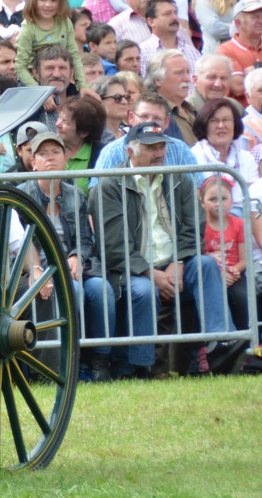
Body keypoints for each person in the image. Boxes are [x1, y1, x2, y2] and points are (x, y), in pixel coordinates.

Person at [92, 121, 230, 377]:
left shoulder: (179, 179)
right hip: (130, 270)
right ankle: (143, 367)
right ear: (130, 152)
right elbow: (113, 244)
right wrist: (149, 272)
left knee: (207, 265)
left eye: (162, 146)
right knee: (144, 290)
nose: (159, 153)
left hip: (175, 263)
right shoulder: (109, 185)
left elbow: (193, 228)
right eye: (151, 148)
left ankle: (222, 345)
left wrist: (177, 262)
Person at [18, 128, 114, 381]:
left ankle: (100, 363)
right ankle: (73, 359)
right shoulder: (22, 195)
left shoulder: (76, 195)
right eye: (43, 154)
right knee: (76, 291)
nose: (50, 158)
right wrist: (52, 268)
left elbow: (84, 239)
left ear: (65, 159)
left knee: (101, 289)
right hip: (43, 267)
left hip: (75, 265)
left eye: (55, 152)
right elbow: (25, 242)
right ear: (33, 163)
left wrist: (76, 257)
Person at [197, 176, 252, 344]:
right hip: (211, 277)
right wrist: (219, 274)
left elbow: (245, 259)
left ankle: (244, 341)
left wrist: (235, 270)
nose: (219, 203)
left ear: (232, 200)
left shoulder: (240, 224)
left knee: (242, 297)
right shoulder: (201, 225)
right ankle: (209, 345)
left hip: (233, 275)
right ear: (203, 202)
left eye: (223, 198)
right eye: (212, 199)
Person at [14, 0, 84, 89]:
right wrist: (39, 92)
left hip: (60, 76)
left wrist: (82, 84)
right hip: (33, 82)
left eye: (53, 0)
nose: (48, 5)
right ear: (34, 0)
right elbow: (20, 67)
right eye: (43, 0)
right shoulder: (28, 28)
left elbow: (74, 55)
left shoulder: (65, 23)